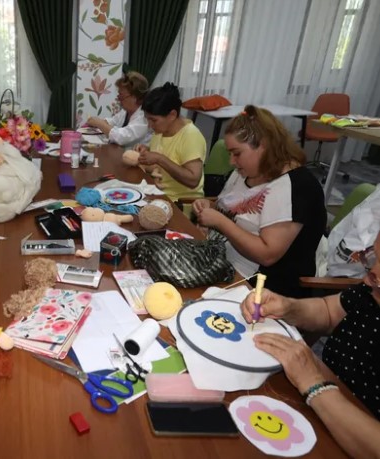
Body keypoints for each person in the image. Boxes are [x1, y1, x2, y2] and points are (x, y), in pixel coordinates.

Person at [240, 230, 380, 458]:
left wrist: (315, 385)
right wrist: (288, 307)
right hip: (322, 401)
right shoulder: (370, 290)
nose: (367, 279)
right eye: (373, 258)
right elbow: (329, 312)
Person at [193, 104, 326, 297]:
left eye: (237, 153)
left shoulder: (296, 187)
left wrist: (220, 222)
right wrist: (210, 207)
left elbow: (267, 255)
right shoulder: (248, 171)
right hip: (222, 262)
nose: (231, 161)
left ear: (263, 146)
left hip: (262, 289)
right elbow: (233, 208)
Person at [135, 82, 206, 200]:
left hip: (180, 202)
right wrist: (145, 152)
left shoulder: (191, 135)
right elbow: (166, 155)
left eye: (154, 120)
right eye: (147, 120)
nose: (150, 125)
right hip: (158, 194)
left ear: (172, 115)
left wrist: (159, 158)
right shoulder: (160, 131)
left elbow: (193, 180)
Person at [86, 71, 150, 148]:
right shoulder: (126, 111)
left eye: (121, 96)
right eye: (118, 94)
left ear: (134, 97)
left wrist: (99, 123)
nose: (118, 99)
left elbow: (121, 137)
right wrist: (95, 121)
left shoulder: (144, 119)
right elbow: (113, 121)